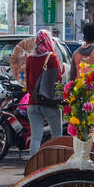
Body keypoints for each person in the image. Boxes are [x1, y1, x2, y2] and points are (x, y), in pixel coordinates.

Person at [24, 30, 63, 158]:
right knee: (57, 136)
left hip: (33, 103)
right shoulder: (51, 57)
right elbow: (58, 79)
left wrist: (34, 94)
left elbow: (28, 83)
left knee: (35, 137)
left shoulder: (29, 57)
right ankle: (57, 163)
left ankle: (33, 165)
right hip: (49, 103)